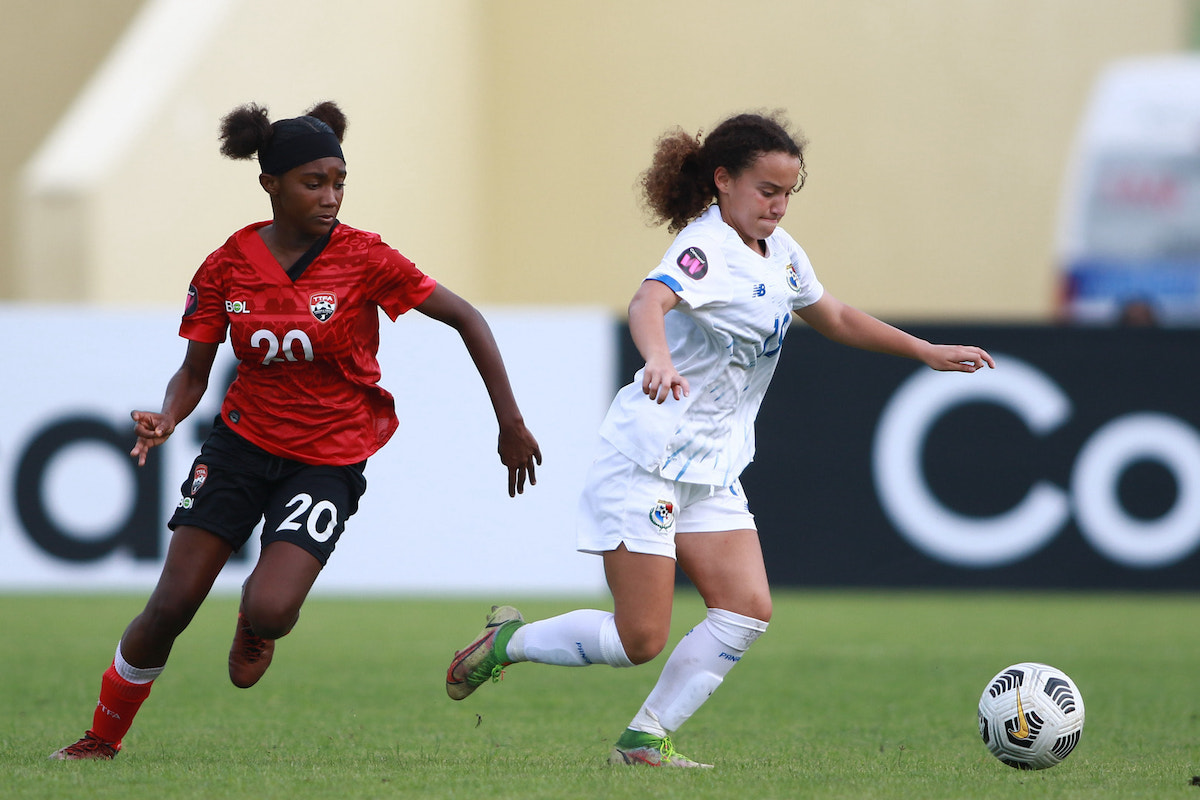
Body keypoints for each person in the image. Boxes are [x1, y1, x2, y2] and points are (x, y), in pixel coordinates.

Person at [444, 111, 993, 768]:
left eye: (788, 192)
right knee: (637, 639)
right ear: (723, 180)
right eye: (767, 190)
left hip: (711, 466)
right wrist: (657, 358)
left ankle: (644, 740)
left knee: (745, 609)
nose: (779, 205)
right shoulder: (704, 249)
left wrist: (924, 350)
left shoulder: (783, 253)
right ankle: (508, 643)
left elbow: (836, 315)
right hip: (646, 460)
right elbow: (649, 301)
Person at [50, 101, 542, 760]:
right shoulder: (227, 265)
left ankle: (256, 621)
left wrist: (509, 422)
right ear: (271, 185)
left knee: (274, 608)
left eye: (339, 181)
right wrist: (170, 415)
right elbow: (194, 370)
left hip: (329, 458)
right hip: (239, 447)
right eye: (315, 182)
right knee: (169, 606)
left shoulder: (365, 257)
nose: (331, 197)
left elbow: (467, 318)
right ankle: (98, 740)